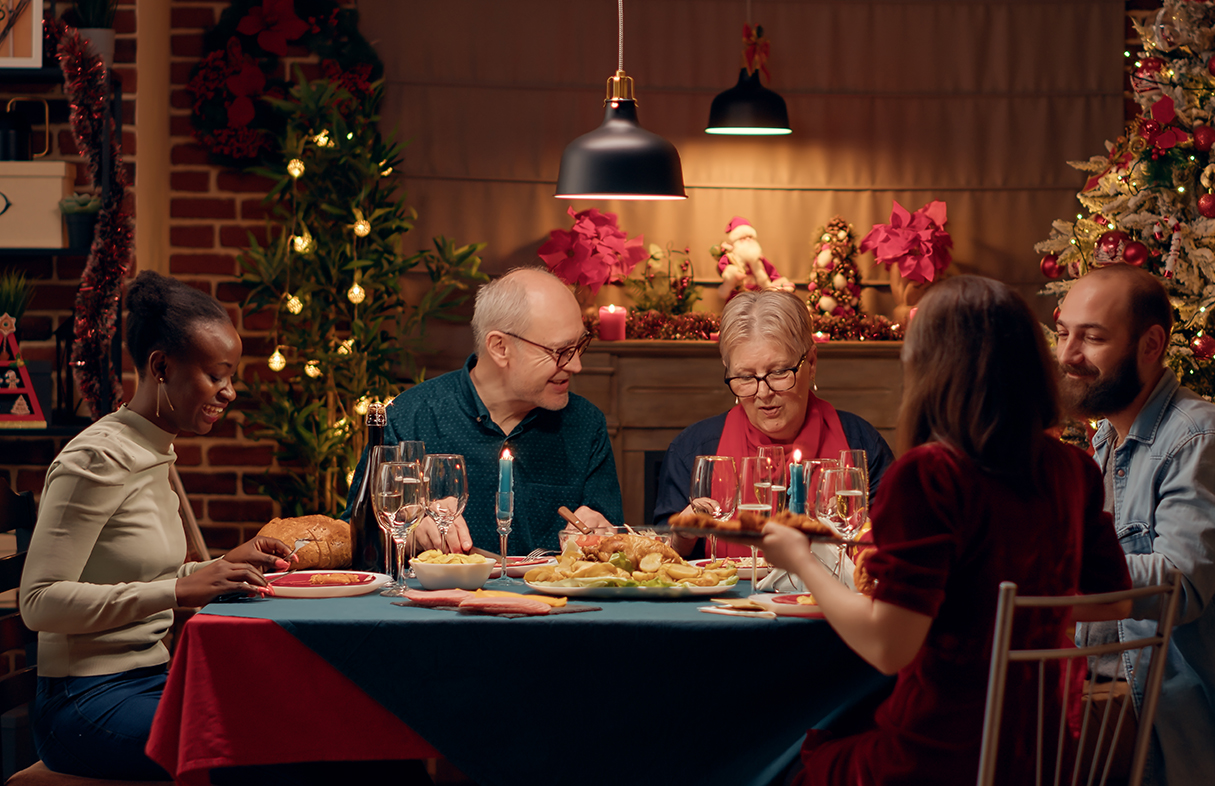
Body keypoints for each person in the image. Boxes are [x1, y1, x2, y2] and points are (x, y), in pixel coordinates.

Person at [758, 275, 1131, 786]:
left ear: (930, 369)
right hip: (1039, 756)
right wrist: (1010, 606)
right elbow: (1115, 601)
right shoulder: (1072, 470)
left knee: (774, 759)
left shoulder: (931, 476)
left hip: (938, 756)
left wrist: (799, 557)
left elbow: (888, 648)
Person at [18, 271, 293, 781]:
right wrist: (180, 588)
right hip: (84, 701)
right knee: (260, 750)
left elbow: (141, 572)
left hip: (152, 680)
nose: (230, 392)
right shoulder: (97, 459)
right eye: (217, 375)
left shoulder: (154, 450)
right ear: (161, 366)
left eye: (231, 376)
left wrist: (223, 564)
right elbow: (39, 603)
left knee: (301, 722)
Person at [1056, 264, 1215, 786]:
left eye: (1093, 338)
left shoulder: (1202, 439)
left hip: (1176, 716)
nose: (1066, 356)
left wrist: (1046, 569)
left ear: (1152, 344)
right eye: (1063, 333)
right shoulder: (1106, 437)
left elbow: (1179, 586)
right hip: (1108, 685)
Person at [348, 266, 623, 557]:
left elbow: (615, 544)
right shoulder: (408, 419)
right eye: (560, 351)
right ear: (500, 347)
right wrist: (410, 532)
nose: (576, 365)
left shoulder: (585, 424)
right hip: (437, 602)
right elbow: (356, 540)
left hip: (557, 601)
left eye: (580, 345)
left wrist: (605, 534)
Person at [655, 290, 893, 557]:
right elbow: (662, 563)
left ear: (811, 362)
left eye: (779, 372)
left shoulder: (861, 444)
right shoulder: (692, 451)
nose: (763, 393)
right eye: (745, 377)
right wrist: (681, 538)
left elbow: (896, 547)